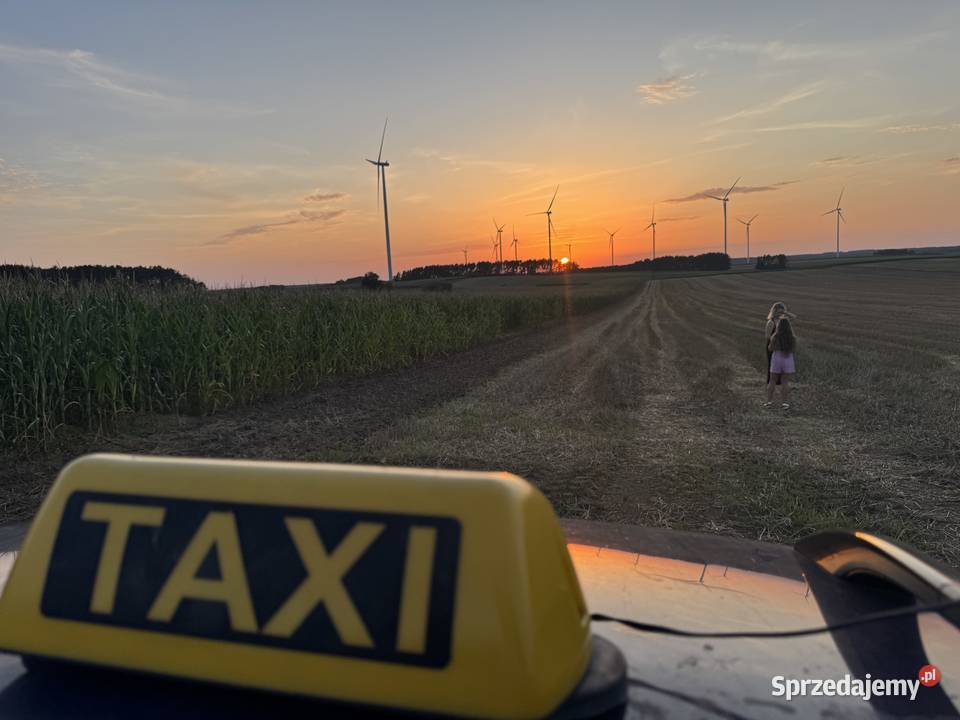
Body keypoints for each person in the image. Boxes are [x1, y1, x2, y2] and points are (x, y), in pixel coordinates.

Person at [766, 317, 796, 409]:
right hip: (787, 359)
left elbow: (770, 348)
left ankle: (769, 402)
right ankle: (785, 403)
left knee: (772, 381)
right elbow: (793, 349)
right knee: (785, 382)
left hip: (777, 358)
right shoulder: (792, 337)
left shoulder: (775, 336)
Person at [764, 302, 795, 386]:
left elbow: (794, 318)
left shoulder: (783, 321)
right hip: (772, 345)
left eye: (782, 310)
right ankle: (770, 382)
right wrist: (776, 340)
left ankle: (779, 382)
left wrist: (785, 313)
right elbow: (767, 336)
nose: (780, 312)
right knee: (771, 364)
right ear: (774, 311)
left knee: (781, 365)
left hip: (781, 345)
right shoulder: (771, 322)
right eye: (778, 310)